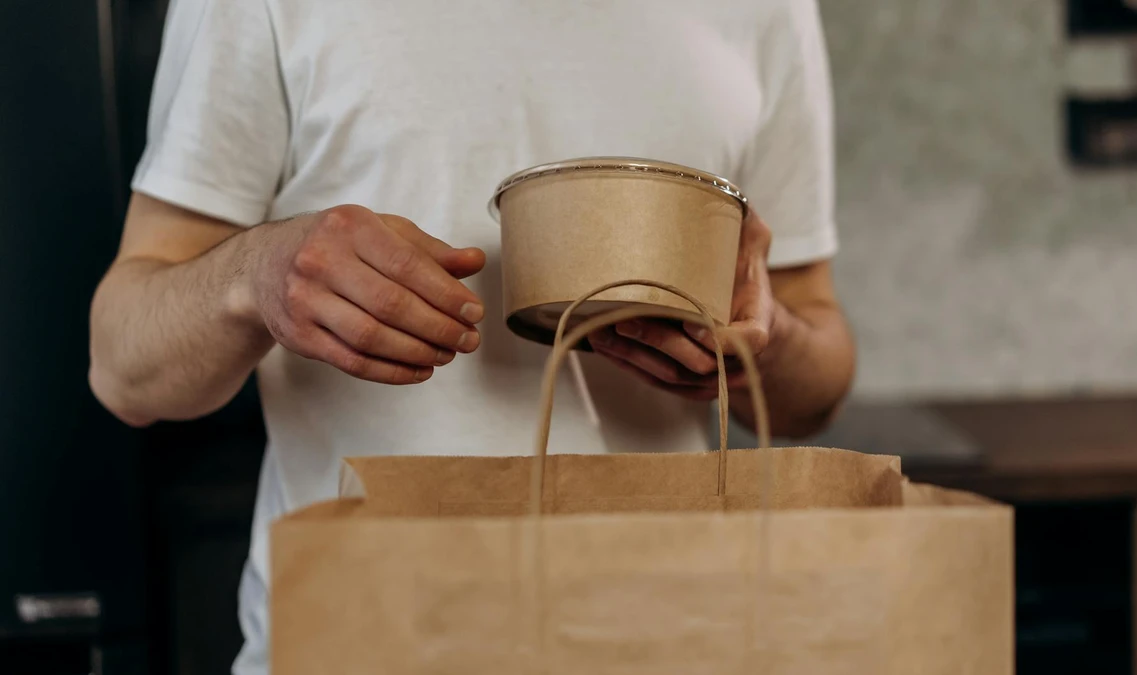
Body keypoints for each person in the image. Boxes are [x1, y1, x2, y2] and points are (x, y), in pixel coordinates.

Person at [88, 0, 854, 672]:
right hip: (362, 645)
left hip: (678, 641)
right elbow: (122, 369)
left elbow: (814, 369)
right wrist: (255, 274)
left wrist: (764, 344)